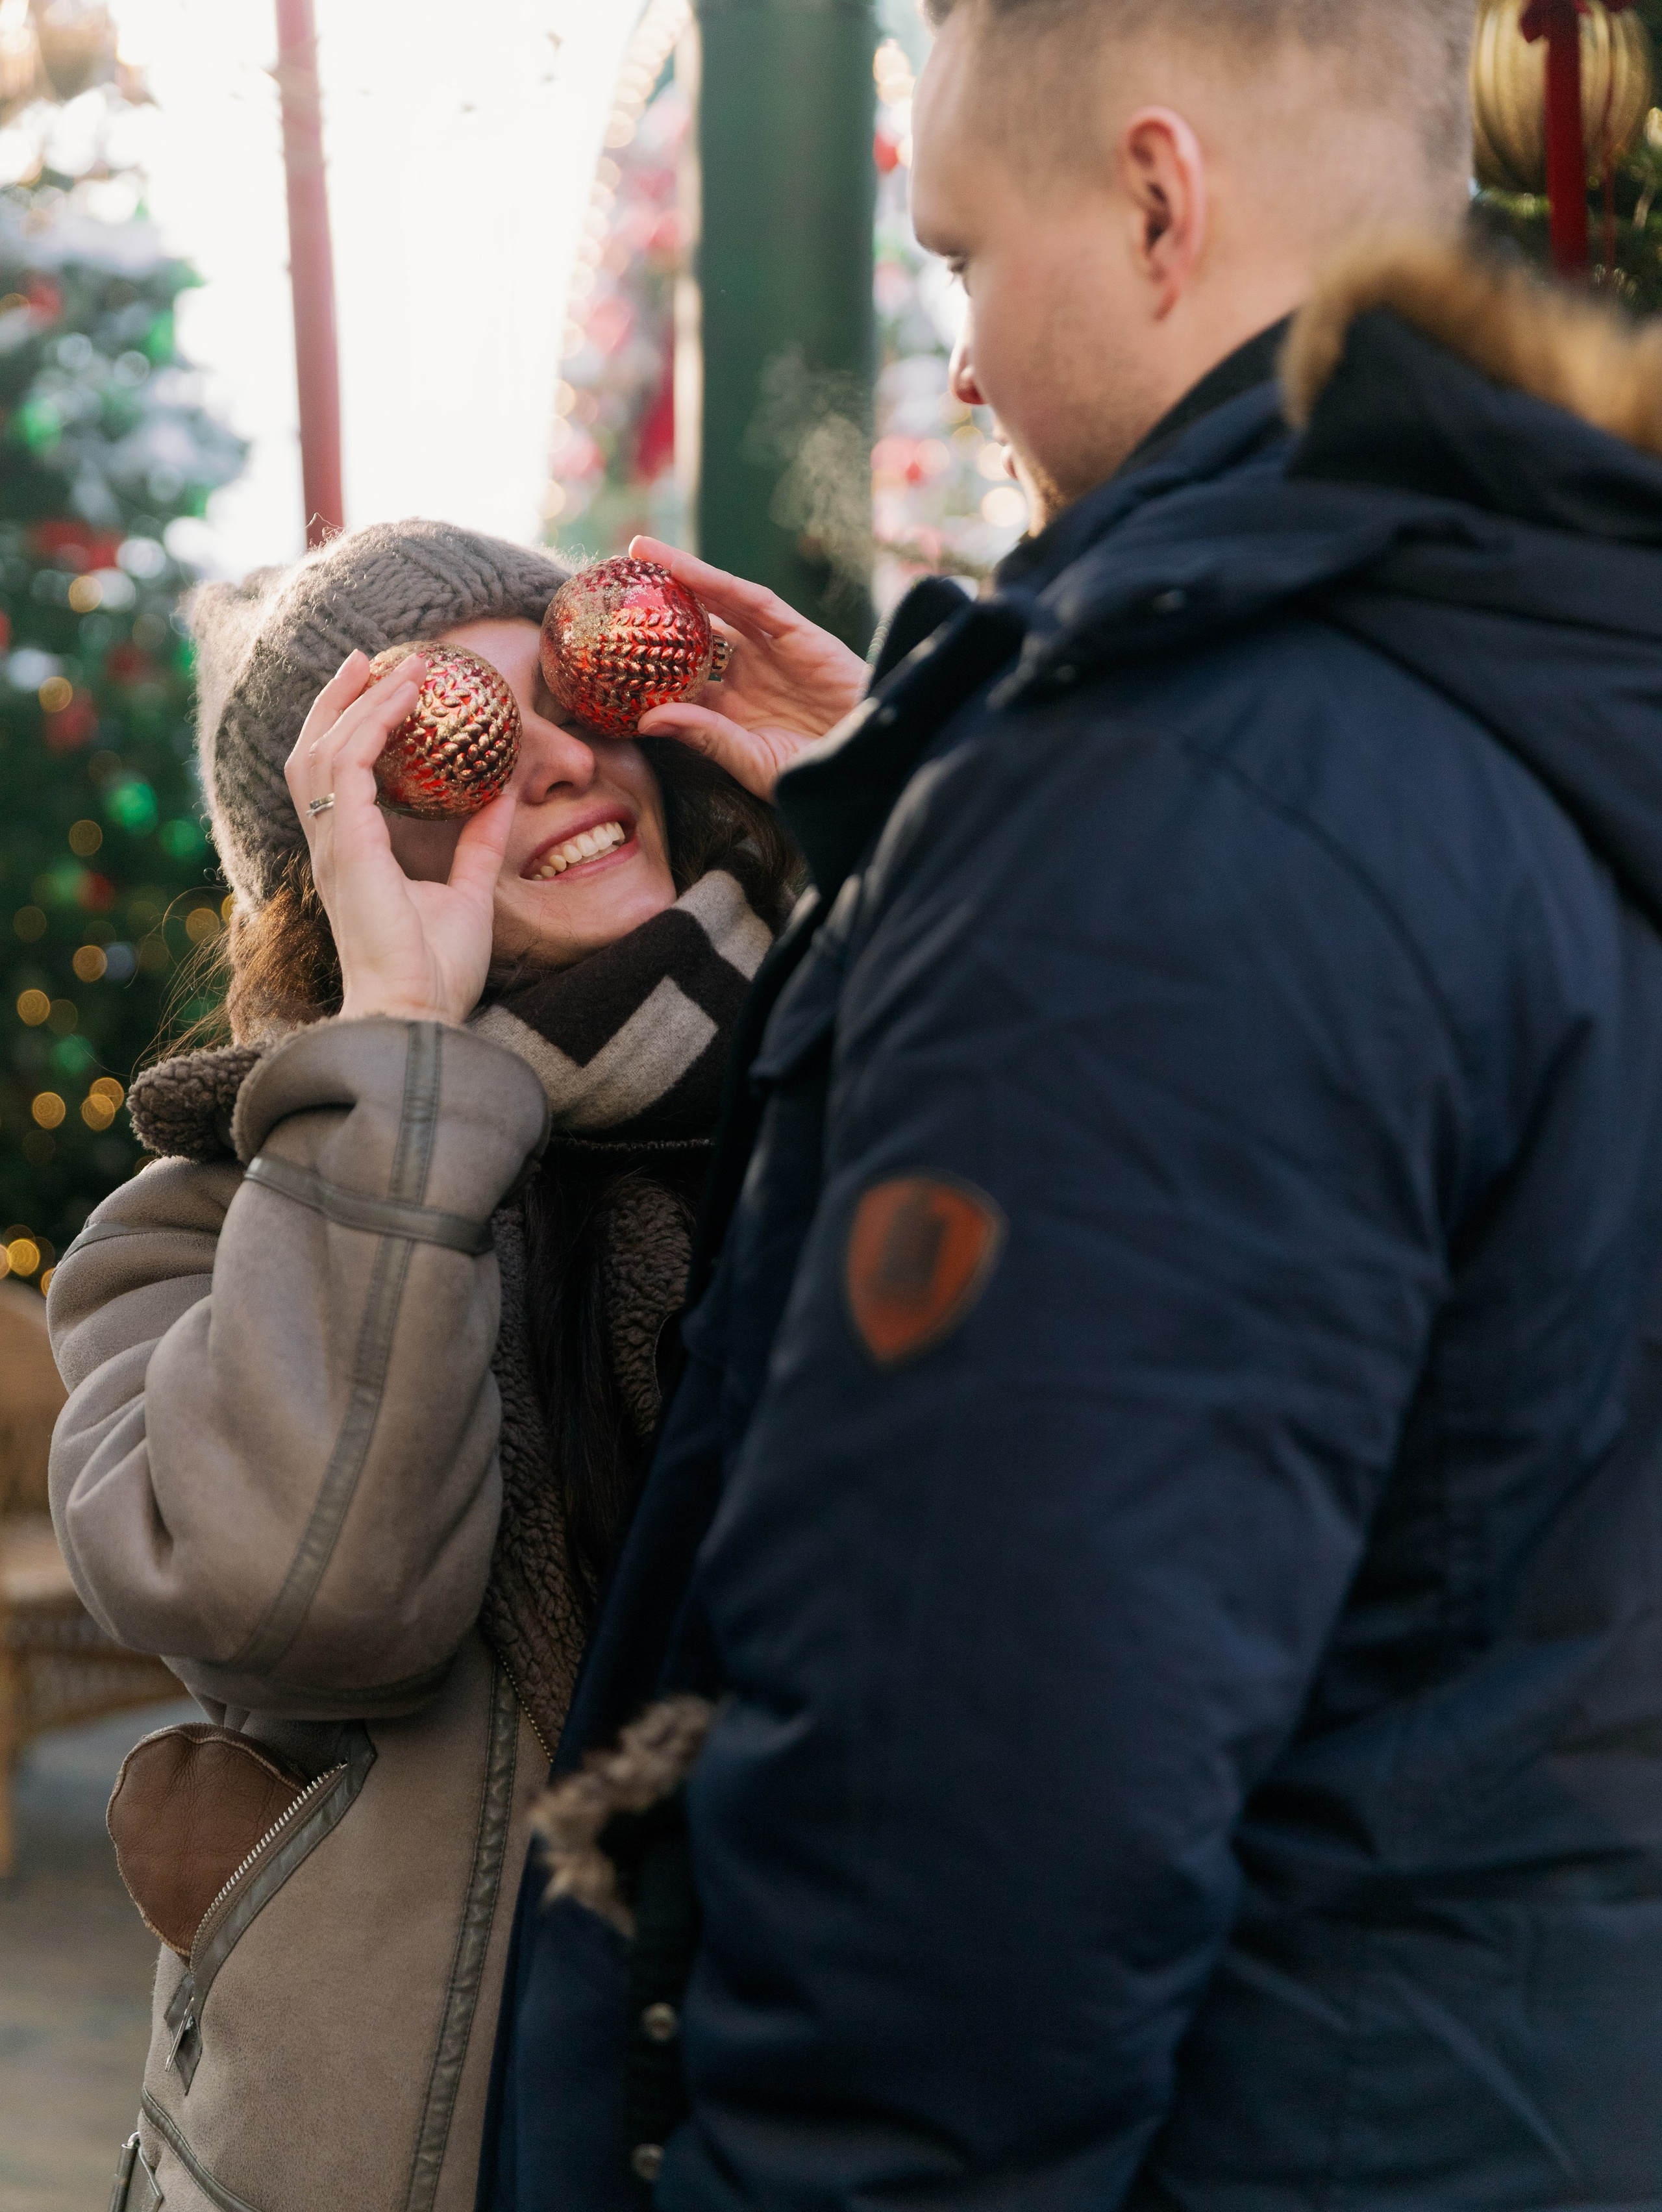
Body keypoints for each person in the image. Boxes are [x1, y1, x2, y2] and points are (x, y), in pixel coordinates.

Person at [481, 3, 1662, 2207]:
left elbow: (968, 1816)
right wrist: (928, 789)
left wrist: (1036, 820)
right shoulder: (1542, 678)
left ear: (1155, 200)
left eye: (959, 260)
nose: (955, 371)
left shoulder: (1159, 816)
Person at [43, 517, 856, 2212]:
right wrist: (403, 1058)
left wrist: (900, 805)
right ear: (332, 863)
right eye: (452, 740)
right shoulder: (198, 1229)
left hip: (833, 2090)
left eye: (579, 691)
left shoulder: (866, 1069)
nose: (557, 761)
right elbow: (308, 1604)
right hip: (442, 2151)